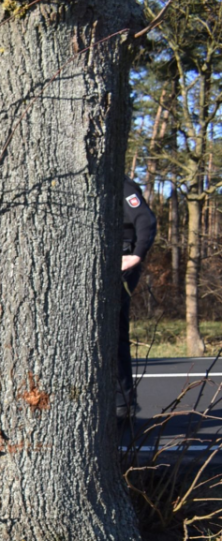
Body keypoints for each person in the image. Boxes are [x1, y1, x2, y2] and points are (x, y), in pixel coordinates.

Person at [119, 177, 156, 418]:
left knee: (115, 330)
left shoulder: (122, 185)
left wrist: (137, 254)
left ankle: (123, 401)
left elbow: (145, 220)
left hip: (121, 262)